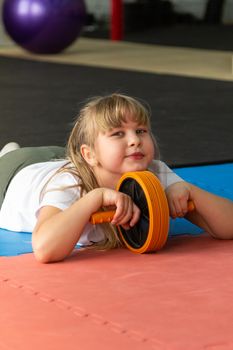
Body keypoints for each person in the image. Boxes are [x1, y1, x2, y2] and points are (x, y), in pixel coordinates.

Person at [0, 93, 232, 263]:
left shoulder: (153, 171)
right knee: (14, 157)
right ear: (90, 155)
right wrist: (95, 197)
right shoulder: (70, 183)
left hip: (60, 158)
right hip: (13, 175)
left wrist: (190, 191)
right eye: (118, 134)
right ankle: (8, 152)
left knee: (64, 155)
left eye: (141, 131)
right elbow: (44, 249)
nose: (135, 140)